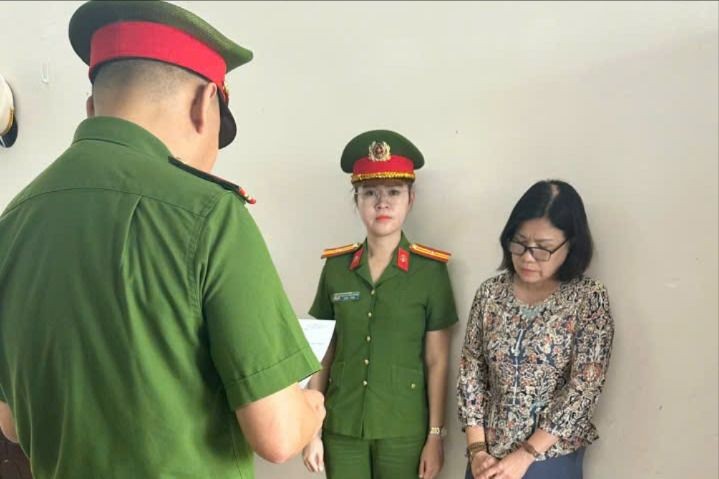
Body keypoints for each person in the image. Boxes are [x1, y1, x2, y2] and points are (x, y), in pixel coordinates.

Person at [0, 1, 325, 478]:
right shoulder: (209, 214)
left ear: (92, 107)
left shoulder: (12, 223)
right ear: (204, 103)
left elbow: (10, 423)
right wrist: (311, 408)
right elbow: (276, 435)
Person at [302, 130, 459, 479]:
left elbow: (437, 361)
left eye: (393, 192)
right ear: (356, 200)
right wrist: (312, 430)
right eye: (370, 192)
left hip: (404, 429)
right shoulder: (336, 268)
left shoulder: (430, 272)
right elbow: (321, 354)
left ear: (411, 199)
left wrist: (435, 436)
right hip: (341, 425)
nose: (382, 203)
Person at [457, 180, 615, 479]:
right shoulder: (490, 293)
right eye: (519, 243)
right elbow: (471, 371)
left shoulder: (588, 299)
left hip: (550, 457)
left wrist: (525, 455)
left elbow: (584, 387)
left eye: (543, 248)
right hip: (487, 459)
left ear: (571, 245)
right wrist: (477, 450)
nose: (527, 257)